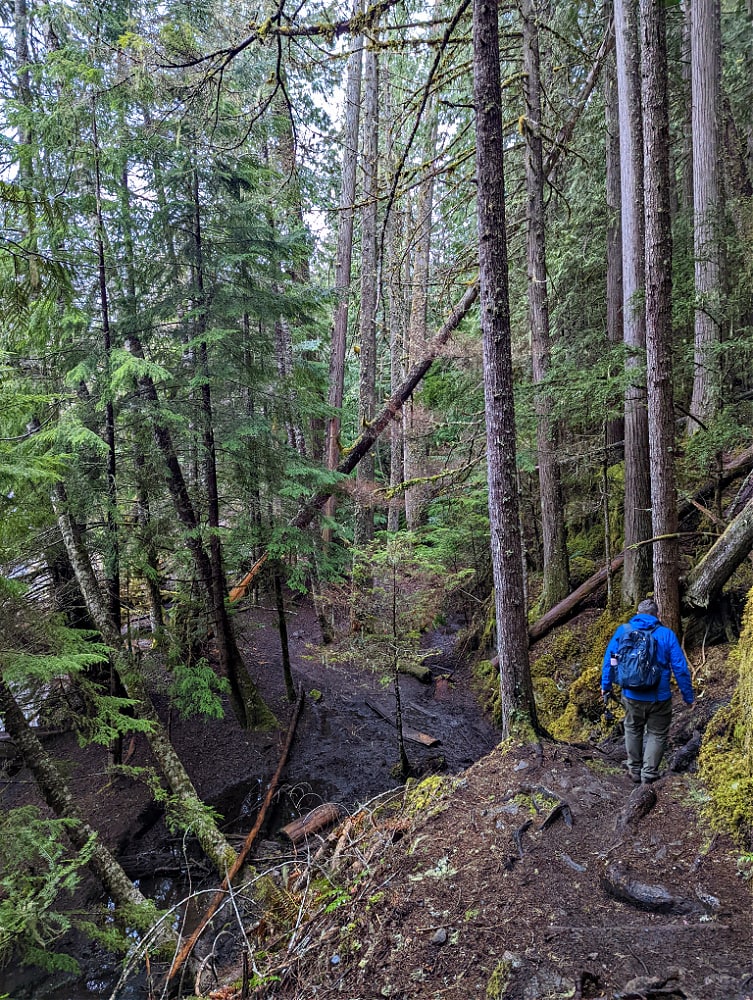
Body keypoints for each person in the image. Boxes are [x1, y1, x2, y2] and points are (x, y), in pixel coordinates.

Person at [601, 598, 695, 784]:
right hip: (659, 697)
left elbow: (610, 661)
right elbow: (680, 668)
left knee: (632, 728)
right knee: (657, 733)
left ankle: (634, 770)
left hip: (631, 694)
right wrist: (688, 697)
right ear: (657, 615)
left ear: (637, 614)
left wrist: (606, 686)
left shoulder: (623, 631)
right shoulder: (666, 634)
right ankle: (649, 774)